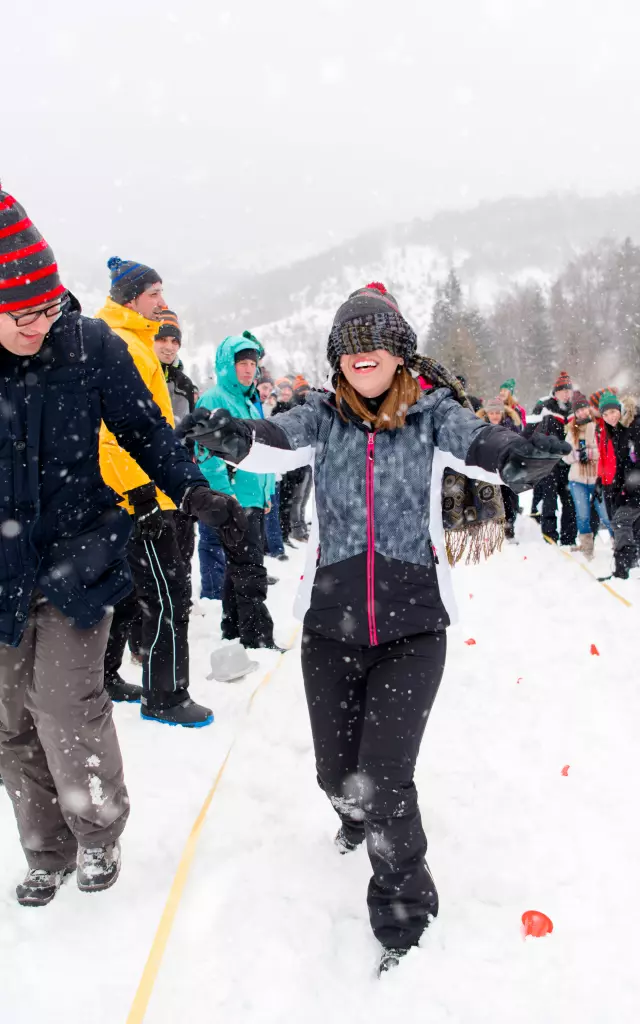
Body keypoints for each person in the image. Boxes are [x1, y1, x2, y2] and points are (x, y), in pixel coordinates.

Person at [181, 281, 567, 974]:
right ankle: (351, 815)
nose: (364, 356)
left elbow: (479, 441)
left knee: (386, 779)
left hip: (413, 627)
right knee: (337, 775)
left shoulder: (429, 414)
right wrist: (233, 437)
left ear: (399, 353)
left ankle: (403, 909)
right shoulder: (320, 418)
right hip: (331, 625)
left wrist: (512, 457)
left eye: (377, 343)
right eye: (351, 346)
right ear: (337, 357)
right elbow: (272, 443)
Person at [0, 186, 245, 907]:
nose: (41, 326)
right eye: (23, 315)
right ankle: (45, 849)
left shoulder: (88, 344)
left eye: (49, 308)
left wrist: (192, 489)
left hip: (78, 556)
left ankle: (98, 834)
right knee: (10, 721)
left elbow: (146, 431)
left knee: (67, 708)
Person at [96, 259, 217, 725]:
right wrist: (143, 493)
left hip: (131, 492)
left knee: (126, 593)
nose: (162, 302)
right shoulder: (123, 343)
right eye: (154, 293)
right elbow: (113, 432)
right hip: (140, 494)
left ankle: (106, 677)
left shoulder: (130, 340)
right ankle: (166, 695)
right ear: (131, 298)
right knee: (167, 595)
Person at [196, 333, 277, 649]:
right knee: (251, 569)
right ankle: (257, 637)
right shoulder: (215, 399)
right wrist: (224, 495)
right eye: (241, 362)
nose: (247, 369)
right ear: (227, 365)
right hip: (233, 501)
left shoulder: (249, 401)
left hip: (253, 497)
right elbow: (206, 453)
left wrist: (266, 492)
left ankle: (232, 628)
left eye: (252, 363)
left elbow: (263, 450)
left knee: (239, 567)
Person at [563, 392, 612, 559]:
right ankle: (586, 548)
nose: (581, 413)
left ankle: (618, 543)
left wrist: (590, 454)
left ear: (588, 409)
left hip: (597, 477)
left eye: (583, 409)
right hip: (577, 479)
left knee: (606, 513)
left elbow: (606, 452)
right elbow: (565, 456)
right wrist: (577, 455)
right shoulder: (571, 429)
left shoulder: (599, 426)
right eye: (577, 411)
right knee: (582, 514)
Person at [596, 391, 640, 579]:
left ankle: (623, 570)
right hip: (631, 485)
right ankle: (632, 566)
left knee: (620, 521)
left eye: (613, 412)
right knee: (633, 524)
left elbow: (636, 462)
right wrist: (615, 488)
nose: (609, 417)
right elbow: (622, 466)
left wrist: (627, 489)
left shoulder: (634, 428)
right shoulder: (619, 431)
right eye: (605, 415)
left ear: (621, 410)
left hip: (636, 485)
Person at [532, 371, 577, 546]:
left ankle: (569, 537)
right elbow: (534, 434)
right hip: (549, 463)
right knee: (549, 500)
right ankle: (549, 535)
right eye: (563, 391)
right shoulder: (544, 407)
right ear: (556, 392)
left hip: (569, 463)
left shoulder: (574, 409)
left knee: (570, 501)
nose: (566, 394)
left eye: (569, 391)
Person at [480, 396, 522, 540]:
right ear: (487, 413)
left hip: (507, 468)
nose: (494, 416)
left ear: (502, 413)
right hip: (488, 468)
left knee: (509, 499)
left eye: (497, 413)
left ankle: (509, 526)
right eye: (491, 413)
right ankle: (491, 529)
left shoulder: (511, 426)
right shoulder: (481, 427)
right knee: (490, 498)